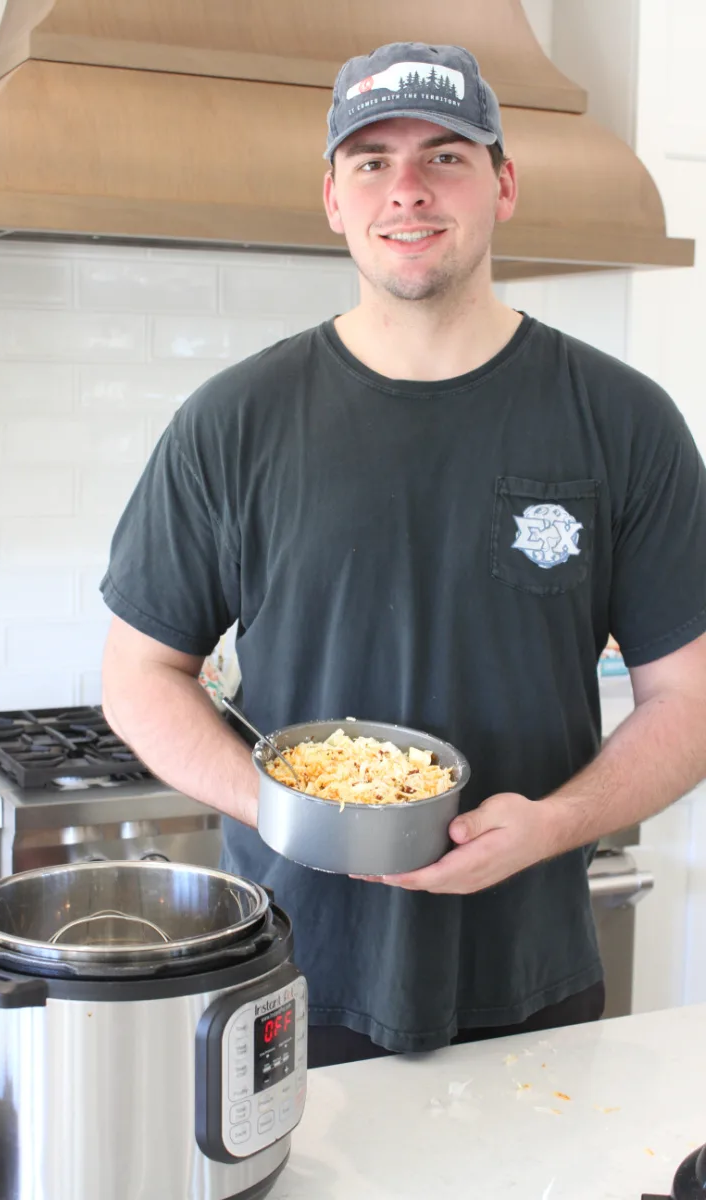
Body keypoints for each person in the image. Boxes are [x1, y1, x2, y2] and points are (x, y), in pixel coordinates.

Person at [100, 42, 706, 1068]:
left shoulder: (621, 422)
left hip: (529, 968)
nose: (407, 189)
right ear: (331, 196)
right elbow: (137, 675)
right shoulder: (234, 423)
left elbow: (687, 697)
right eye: (371, 161)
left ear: (502, 184)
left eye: (444, 156)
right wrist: (291, 815)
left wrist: (556, 823)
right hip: (292, 973)